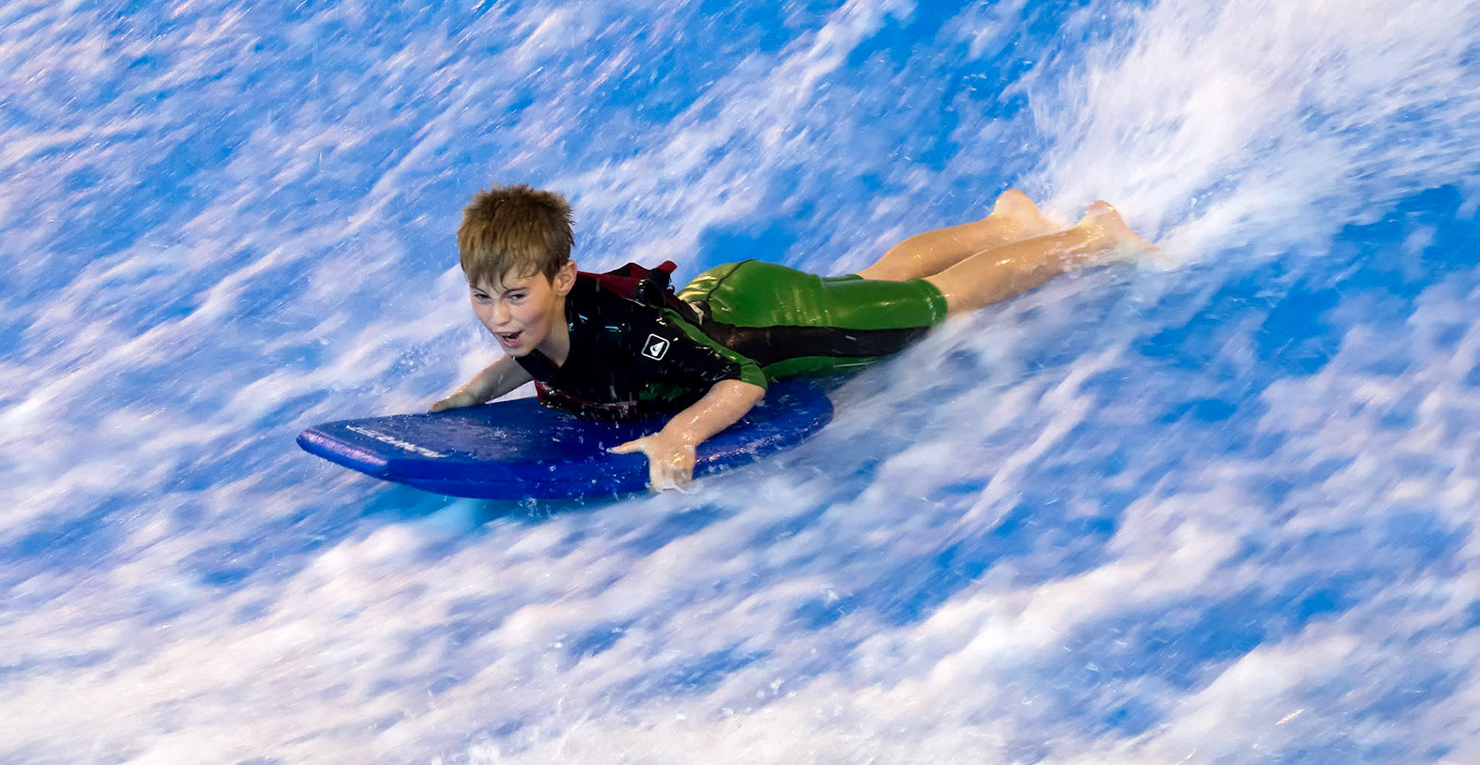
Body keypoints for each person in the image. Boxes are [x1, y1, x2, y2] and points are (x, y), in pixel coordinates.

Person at [431, 184, 1157, 492]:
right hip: (728, 293)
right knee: (870, 285)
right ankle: (1008, 226)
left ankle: (1091, 238)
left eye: (515, 297)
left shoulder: (626, 337)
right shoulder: (536, 317)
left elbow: (741, 378)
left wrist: (679, 437)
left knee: (933, 303)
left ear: (562, 280)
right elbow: (531, 356)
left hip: (765, 322)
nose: (499, 318)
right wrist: (472, 393)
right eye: (482, 297)